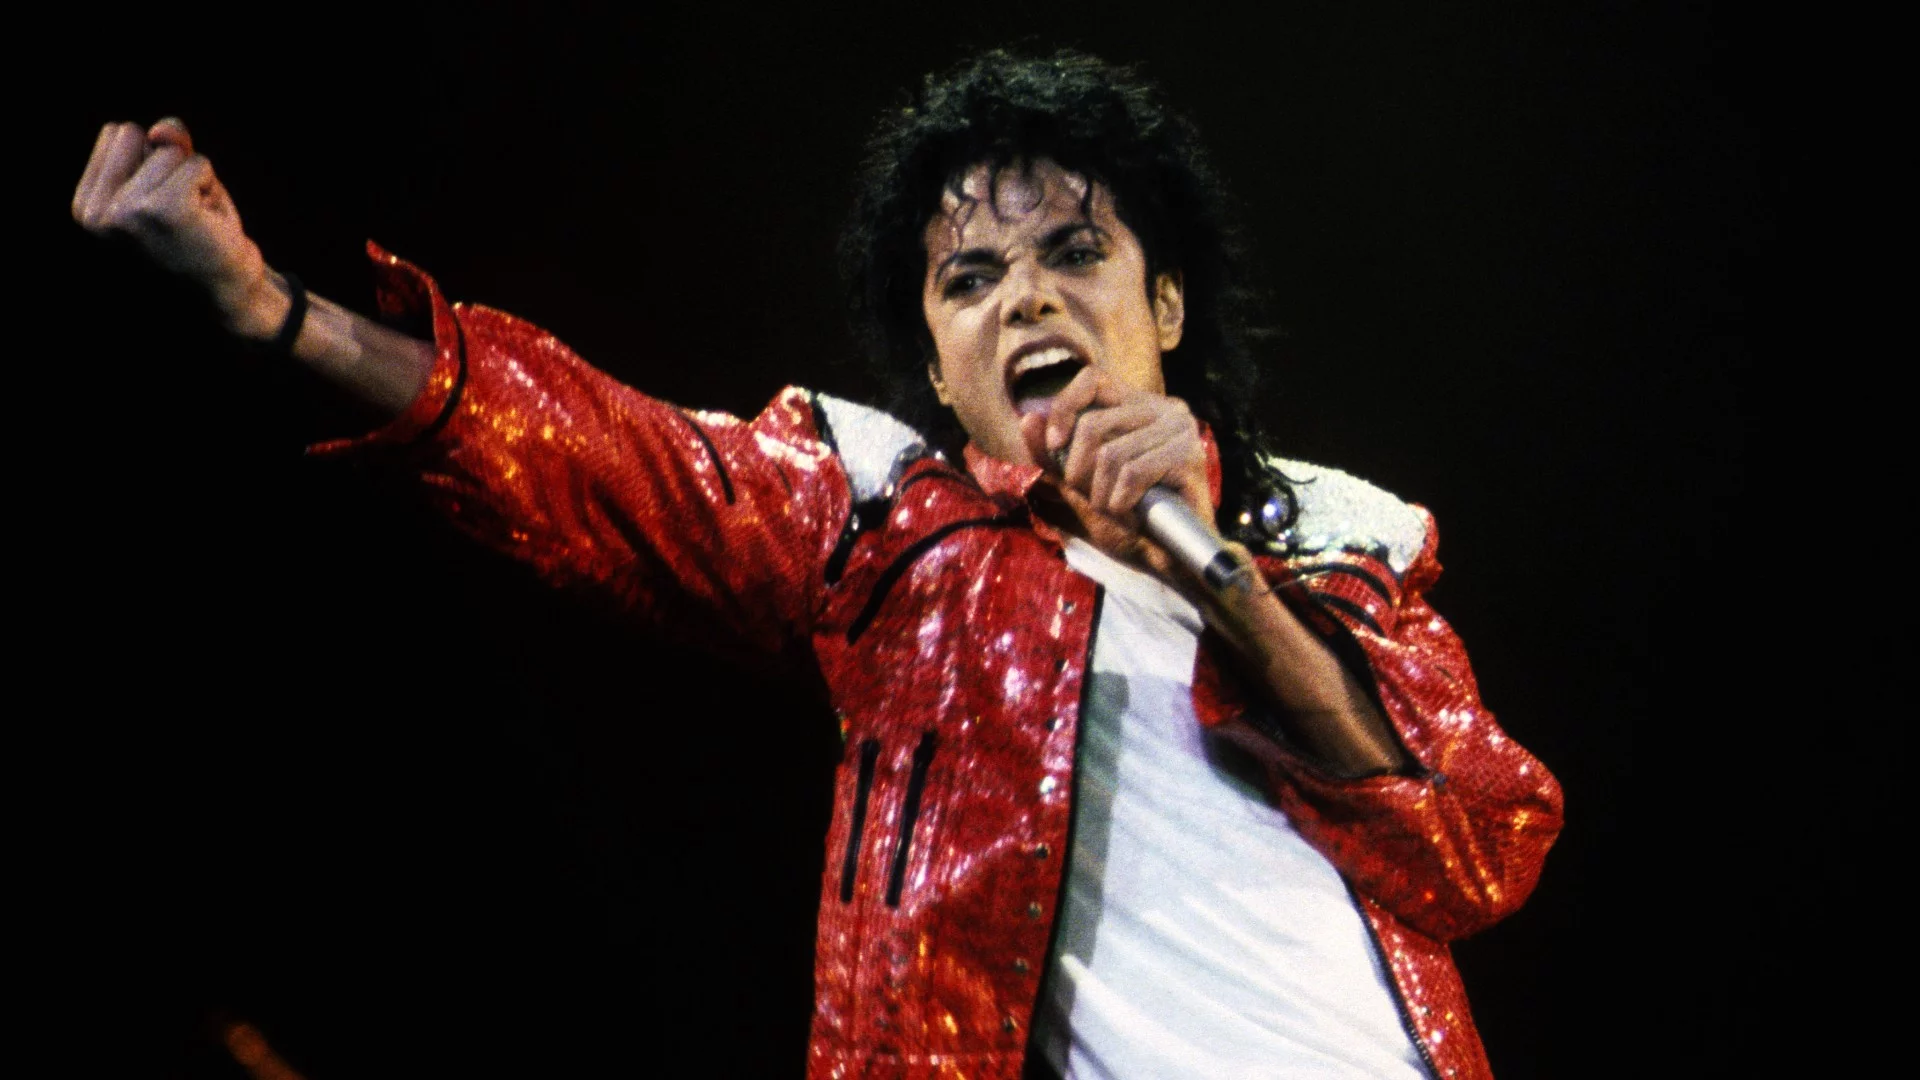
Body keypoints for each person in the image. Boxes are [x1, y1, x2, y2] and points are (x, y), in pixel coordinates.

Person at [72, 49, 1561, 1080]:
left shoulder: (1339, 542)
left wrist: (1219, 571)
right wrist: (272, 306)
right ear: (941, 363)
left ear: (1162, 305)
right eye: (970, 279)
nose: (1025, 299)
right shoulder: (890, 528)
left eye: (1074, 255)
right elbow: (592, 448)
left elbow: (1477, 848)